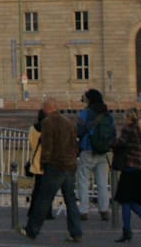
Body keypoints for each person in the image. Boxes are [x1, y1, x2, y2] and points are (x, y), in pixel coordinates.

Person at [21, 97, 83, 241]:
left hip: (55, 166)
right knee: (71, 200)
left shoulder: (48, 123)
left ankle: (32, 230)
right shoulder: (69, 123)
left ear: (47, 109)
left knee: (44, 199)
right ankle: (76, 232)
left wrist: (44, 163)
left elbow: (47, 146)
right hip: (70, 165)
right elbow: (75, 145)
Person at [111, 108, 141, 242]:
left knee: (125, 200)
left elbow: (120, 143)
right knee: (132, 201)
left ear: (129, 117)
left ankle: (128, 230)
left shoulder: (128, 129)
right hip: (139, 168)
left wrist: (109, 143)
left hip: (129, 167)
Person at [76, 88, 114, 221]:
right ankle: (104, 210)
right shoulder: (107, 114)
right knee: (102, 182)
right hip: (103, 152)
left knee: (83, 181)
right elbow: (113, 132)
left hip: (87, 148)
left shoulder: (85, 113)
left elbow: (79, 130)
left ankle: (83, 210)